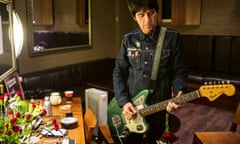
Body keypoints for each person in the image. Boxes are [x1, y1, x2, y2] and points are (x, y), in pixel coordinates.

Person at [111, 0, 188, 143]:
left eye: (151, 13)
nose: (147, 20)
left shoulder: (172, 37)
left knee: (154, 140)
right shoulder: (128, 39)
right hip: (132, 107)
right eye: (141, 15)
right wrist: (124, 101)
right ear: (134, 17)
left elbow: (179, 71)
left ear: (156, 13)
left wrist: (179, 92)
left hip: (159, 106)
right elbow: (118, 72)